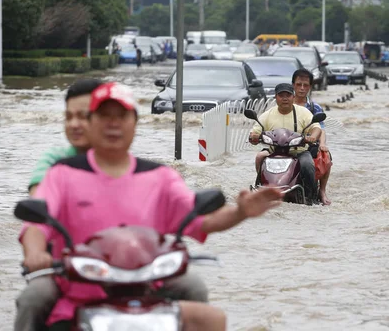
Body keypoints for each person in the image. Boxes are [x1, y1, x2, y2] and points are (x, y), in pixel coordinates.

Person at [18, 82, 284, 331]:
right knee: (33, 298)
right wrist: (35, 254)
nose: (113, 124)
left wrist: (240, 212)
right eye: (104, 116)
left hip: (146, 285)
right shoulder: (62, 173)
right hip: (78, 288)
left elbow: (201, 220)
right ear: (90, 123)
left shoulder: (159, 177)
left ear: (135, 123)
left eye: (121, 117)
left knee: (210, 316)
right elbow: (37, 224)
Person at [28, 79, 103, 197]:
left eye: (83, 116)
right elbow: (39, 199)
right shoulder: (54, 159)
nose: (73, 124)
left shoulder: (122, 165)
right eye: (68, 117)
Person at [248, 83, 322, 202]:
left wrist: (312, 137)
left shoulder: (303, 112)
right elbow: (255, 131)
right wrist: (254, 137)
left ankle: (310, 197)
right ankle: (260, 186)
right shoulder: (267, 115)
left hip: (298, 152)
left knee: (308, 165)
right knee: (259, 157)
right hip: (273, 152)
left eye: (288, 95)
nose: (285, 98)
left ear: (293, 96)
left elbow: (316, 127)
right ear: (275, 98)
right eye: (281, 95)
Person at [292, 69, 332, 206]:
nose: (302, 88)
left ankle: (322, 190)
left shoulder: (314, 107)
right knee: (261, 158)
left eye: (305, 85)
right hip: (283, 144)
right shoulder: (284, 104)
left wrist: (322, 144)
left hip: (307, 144)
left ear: (310, 87)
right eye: (298, 84)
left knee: (326, 157)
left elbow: (321, 129)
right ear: (293, 85)